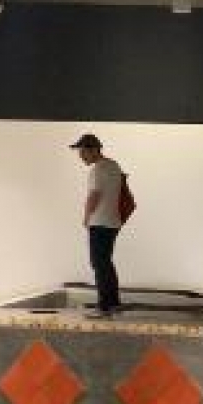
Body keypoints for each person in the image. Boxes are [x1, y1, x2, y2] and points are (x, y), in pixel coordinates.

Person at [70, 133, 127, 317]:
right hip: (113, 221)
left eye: (83, 152)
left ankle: (104, 306)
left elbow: (94, 195)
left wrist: (86, 216)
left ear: (94, 149)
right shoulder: (113, 165)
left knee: (99, 263)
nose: (81, 156)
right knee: (106, 262)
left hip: (99, 222)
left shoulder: (98, 169)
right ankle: (113, 303)